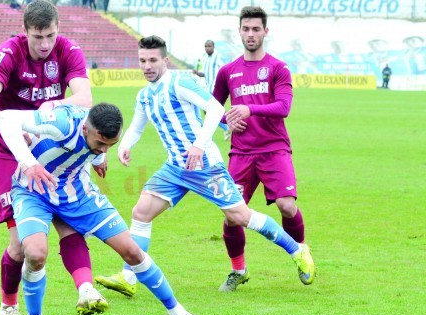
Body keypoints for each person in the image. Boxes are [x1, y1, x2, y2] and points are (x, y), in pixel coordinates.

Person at [94, 35, 315, 297]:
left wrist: (199, 144)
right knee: (140, 213)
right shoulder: (144, 96)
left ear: (165, 60)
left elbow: (213, 108)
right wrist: (124, 145)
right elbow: (137, 125)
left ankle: (297, 250)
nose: (147, 66)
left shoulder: (180, 82)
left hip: (205, 166)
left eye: (153, 60)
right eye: (142, 60)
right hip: (175, 168)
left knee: (240, 217)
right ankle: (129, 277)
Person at [0, 102, 213, 315]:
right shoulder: (63, 122)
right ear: (86, 129)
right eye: (101, 144)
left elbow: (96, 148)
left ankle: (180, 314)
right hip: (34, 191)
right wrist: (29, 163)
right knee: (35, 254)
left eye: (111, 145)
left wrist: (98, 157)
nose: (104, 150)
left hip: (77, 193)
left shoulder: (99, 135)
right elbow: (5, 118)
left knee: (132, 251)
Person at [0, 0, 101, 315]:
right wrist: (12, 127)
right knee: (20, 246)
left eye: (50, 36)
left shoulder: (68, 51)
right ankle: (9, 304)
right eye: (38, 37)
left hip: (51, 155)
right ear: (25, 31)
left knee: (67, 224)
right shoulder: (10, 53)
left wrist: (48, 111)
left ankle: (83, 288)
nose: (45, 45)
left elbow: (85, 99)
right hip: (6, 156)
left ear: (58, 28)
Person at [210, 6, 313, 291]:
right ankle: (238, 270)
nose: (251, 34)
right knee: (232, 216)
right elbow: (212, 107)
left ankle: (302, 252)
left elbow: (284, 107)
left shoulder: (278, 68)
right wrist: (227, 118)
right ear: (239, 31)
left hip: (274, 149)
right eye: (246, 29)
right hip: (241, 153)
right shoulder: (228, 71)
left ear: (266, 31)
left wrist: (247, 110)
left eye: (256, 29)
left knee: (287, 207)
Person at [192, 39, 229, 138]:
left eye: (209, 46)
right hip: (208, 88)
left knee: (211, 111)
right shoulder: (206, 59)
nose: (207, 48)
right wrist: (197, 73)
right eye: (206, 46)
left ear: (213, 47)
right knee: (210, 111)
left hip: (215, 88)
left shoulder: (217, 57)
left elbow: (224, 69)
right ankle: (227, 127)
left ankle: (227, 127)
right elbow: (206, 74)